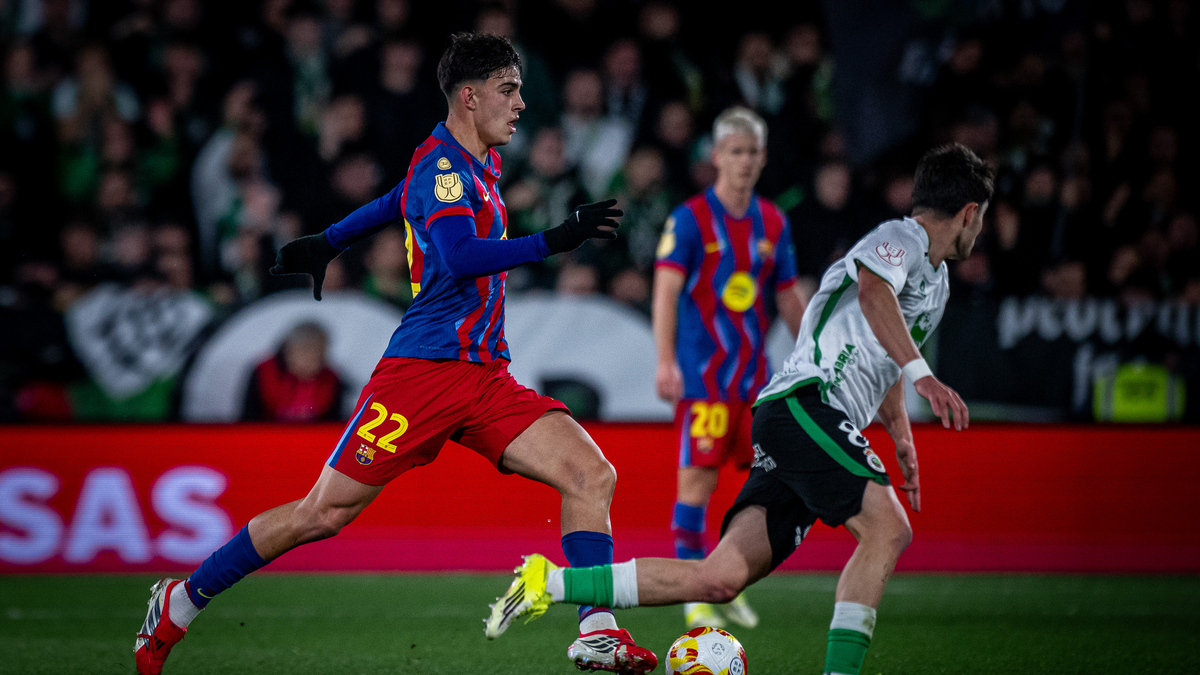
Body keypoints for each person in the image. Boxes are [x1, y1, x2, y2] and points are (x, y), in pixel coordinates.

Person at [134, 33, 657, 675]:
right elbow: (460, 256)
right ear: (470, 96)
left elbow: (393, 198)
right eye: (509, 90)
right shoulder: (445, 169)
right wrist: (555, 238)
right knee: (320, 514)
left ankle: (596, 632)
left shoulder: (468, 164)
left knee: (590, 474)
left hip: (485, 377)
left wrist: (330, 239)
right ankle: (179, 602)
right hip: (423, 374)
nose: (521, 104)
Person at [488, 144, 992, 675]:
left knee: (720, 577)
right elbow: (873, 294)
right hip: (806, 405)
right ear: (968, 213)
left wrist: (902, 433)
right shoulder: (901, 238)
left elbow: (886, 346)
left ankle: (549, 580)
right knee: (888, 530)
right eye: (980, 219)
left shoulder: (935, 282)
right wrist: (926, 376)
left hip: (805, 421)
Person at [652, 106, 806, 629]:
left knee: (764, 482)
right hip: (705, 379)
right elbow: (666, 291)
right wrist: (666, 361)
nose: (743, 161)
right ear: (716, 157)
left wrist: (812, 354)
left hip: (755, 382)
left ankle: (727, 578)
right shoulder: (689, 219)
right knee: (696, 481)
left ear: (763, 158)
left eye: (751, 152)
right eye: (733, 152)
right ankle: (695, 596)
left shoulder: (772, 222)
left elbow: (787, 294)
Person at [241, 322, 345, 422]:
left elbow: (334, 422)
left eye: (316, 354)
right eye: (304, 352)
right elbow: (248, 418)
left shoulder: (331, 380)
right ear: (289, 350)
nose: (309, 360)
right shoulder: (263, 373)